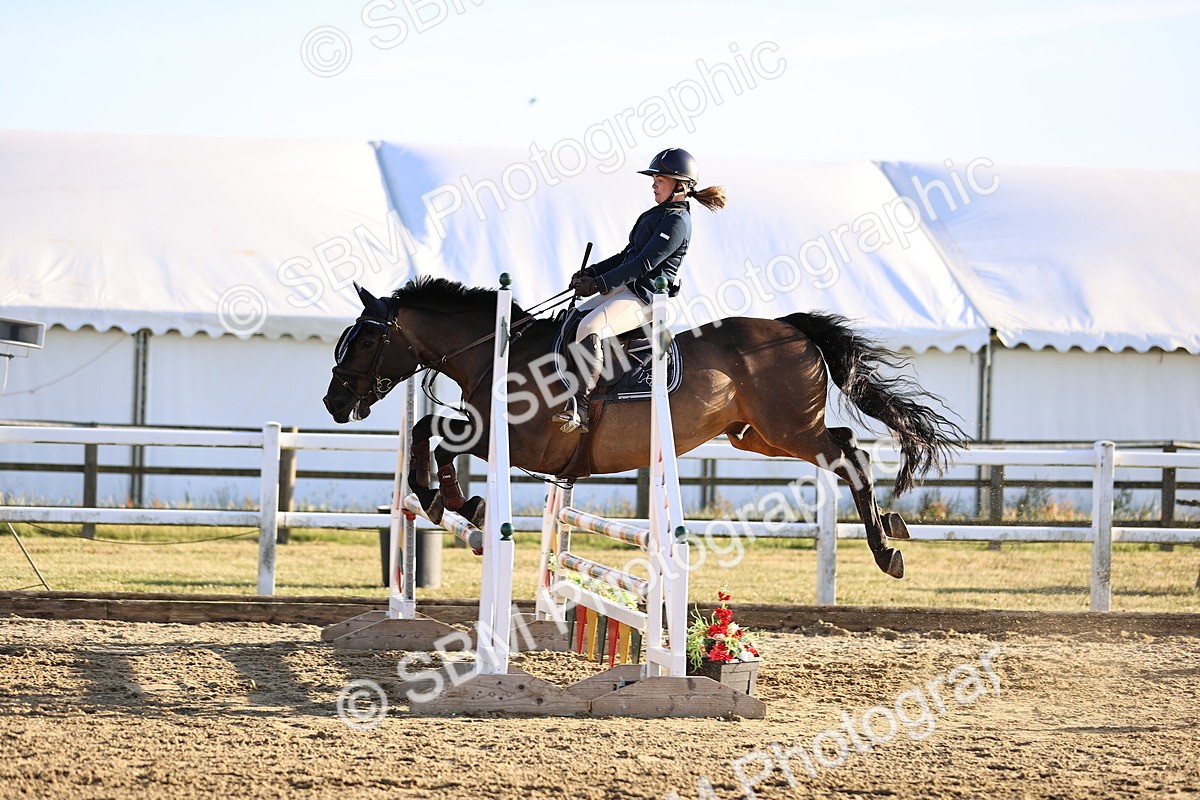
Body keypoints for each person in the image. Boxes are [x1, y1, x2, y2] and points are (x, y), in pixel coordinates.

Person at [554, 147, 726, 433]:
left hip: (644, 298)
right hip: (625, 290)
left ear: (679, 185)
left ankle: (580, 408)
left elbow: (644, 263)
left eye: (660, 179)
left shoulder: (677, 221)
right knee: (573, 318)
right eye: (655, 179)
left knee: (589, 327)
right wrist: (592, 272)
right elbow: (627, 254)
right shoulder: (658, 214)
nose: (654, 184)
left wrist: (599, 284)